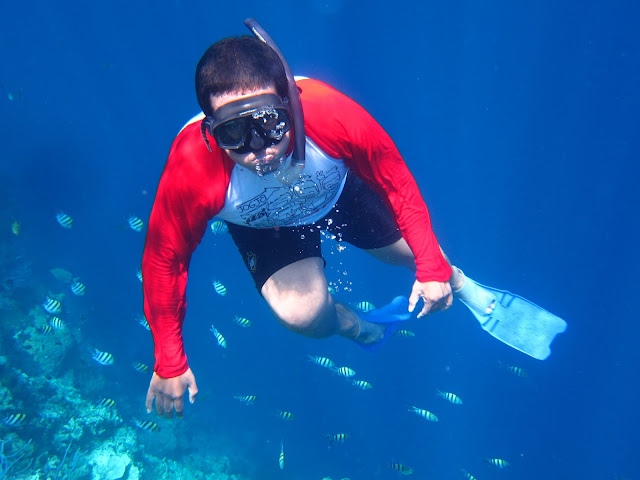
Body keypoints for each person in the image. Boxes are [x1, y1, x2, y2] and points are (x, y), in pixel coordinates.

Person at [142, 32, 467, 419]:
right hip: (264, 226)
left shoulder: (329, 113)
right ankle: (360, 328)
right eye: (233, 132)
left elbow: (395, 180)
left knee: (428, 256)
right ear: (209, 131)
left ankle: (461, 282)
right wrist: (169, 360)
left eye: (269, 122)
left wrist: (432, 269)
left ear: (289, 103)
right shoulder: (193, 167)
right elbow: (165, 259)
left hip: (337, 191)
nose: (259, 149)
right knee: (302, 317)